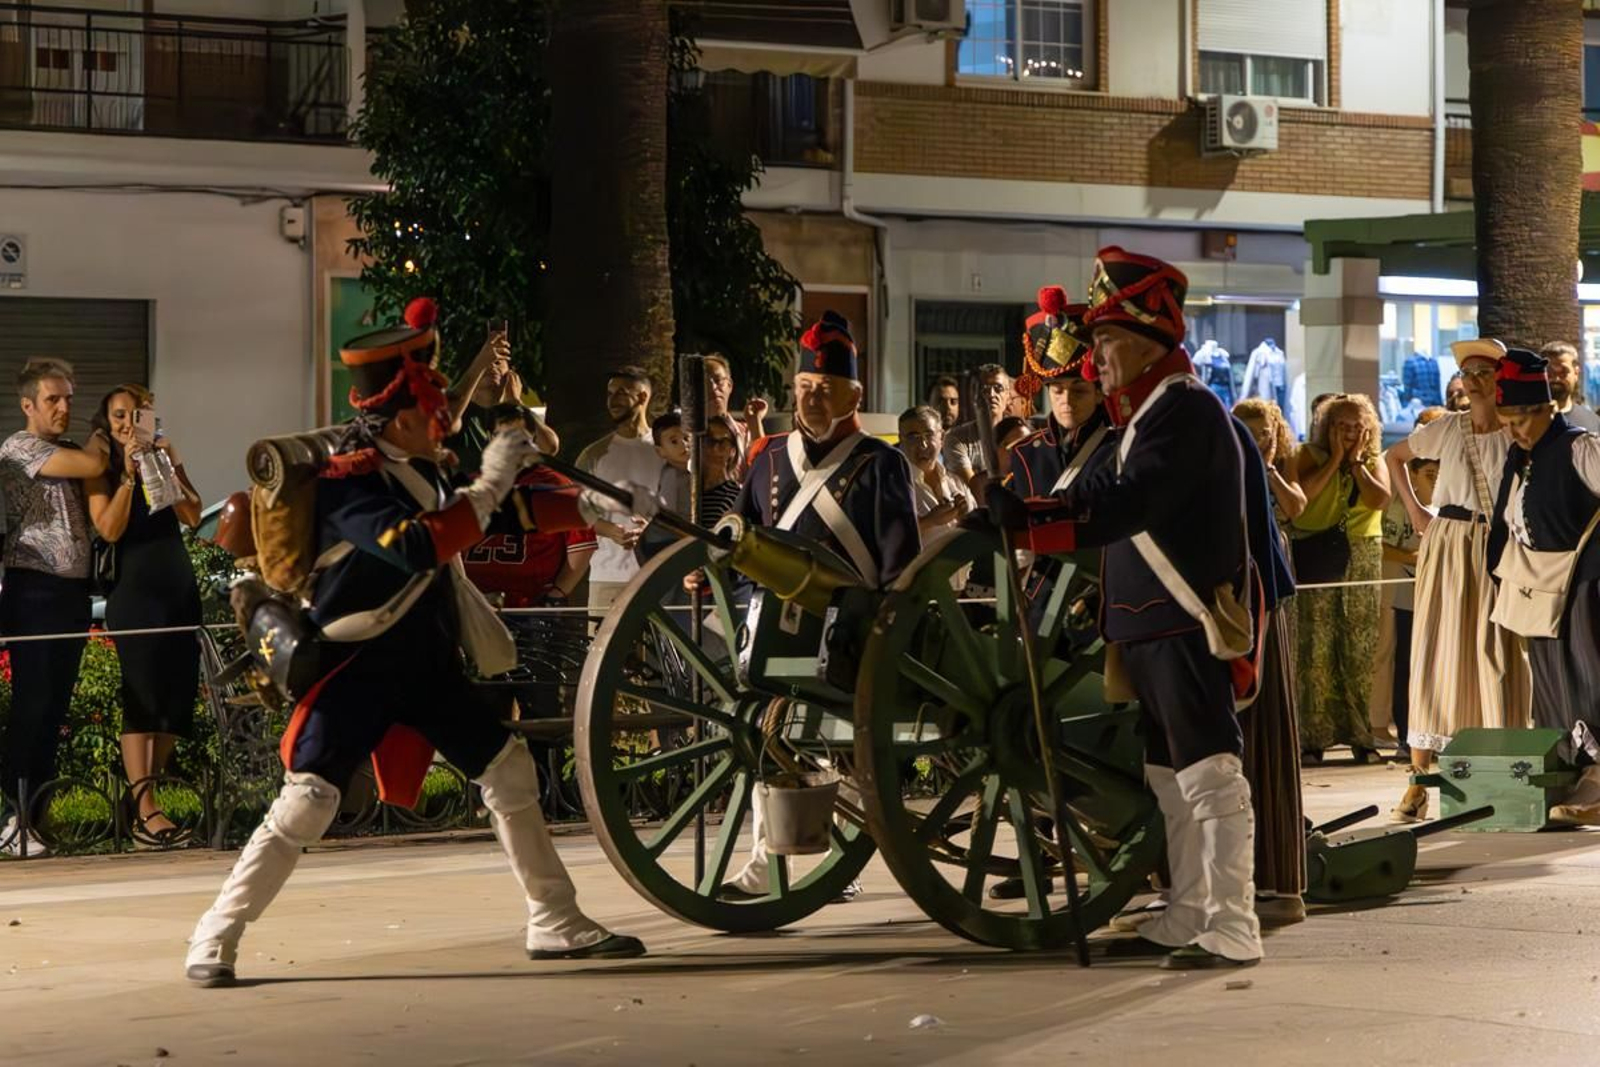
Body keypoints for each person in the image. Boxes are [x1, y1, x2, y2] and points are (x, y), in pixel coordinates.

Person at [185, 298, 644, 986]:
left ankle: (554, 917)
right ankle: (214, 936)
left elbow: (507, 508)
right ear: (398, 415)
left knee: (509, 770)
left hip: (423, 661)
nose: (446, 416)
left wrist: (585, 509)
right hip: (357, 664)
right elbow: (421, 543)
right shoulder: (349, 484)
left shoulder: (426, 467)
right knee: (307, 801)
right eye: (431, 404)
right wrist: (491, 480)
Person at [988, 247, 1262, 969]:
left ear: (1148, 343)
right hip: (1143, 617)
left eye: (1107, 342)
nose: (1095, 357)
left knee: (1209, 774)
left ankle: (1234, 921)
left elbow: (1127, 501)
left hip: (1183, 613)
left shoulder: (1186, 410)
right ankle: (1191, 906)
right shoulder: (1146, 413)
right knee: (1169, 778)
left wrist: (1031, 517)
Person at [717, 310, 920, 903]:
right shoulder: (768, 458)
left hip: (850, 630)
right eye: (805, 388)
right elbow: (747, 538)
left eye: (826, 389)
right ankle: (763, 862)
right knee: (765, 737)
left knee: (845, 748)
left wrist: (883, 631)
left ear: (854, 394)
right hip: (775, 626)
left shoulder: (881, 463)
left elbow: (897, 559)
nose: (812, 398)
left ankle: (845, 857)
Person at [1385, 341, 1530, 822]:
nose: (1473, 380)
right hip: (1449, 543)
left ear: (1500, 378)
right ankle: (1419, 780)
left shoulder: (1516, 432)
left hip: (1497, 544)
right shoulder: (1446, 428)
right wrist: (1416, 512)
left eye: (1483, 372)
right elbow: (1393, 457)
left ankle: (1498, 771)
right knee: (1437, 649)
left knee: (1496, 650)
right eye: (1466, 372)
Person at [84, 385, 203, 844]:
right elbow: (109, 528)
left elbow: (192, 514)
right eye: (119, 415)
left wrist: (168, 464)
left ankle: (143, 803)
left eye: (136, 414)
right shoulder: (102, 467)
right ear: (106, 421)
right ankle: (146, 810)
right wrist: (130, 475)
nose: (127, 423)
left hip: (176, 586)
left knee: (175, 697)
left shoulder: (161, 456)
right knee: (142, 696)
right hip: (134, 593)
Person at [1486, 348, 1600, 825]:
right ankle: (1573, 774)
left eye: (1524, 418)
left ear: (1547, 408)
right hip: (1538, 588)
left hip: (1585, 584)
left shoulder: (1579, 447)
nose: (1517, 428)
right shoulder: (1519, 457)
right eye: (1509, 419)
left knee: (1590, 679)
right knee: (1553, 686)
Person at [0, 359, 108, 857]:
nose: (64, 407)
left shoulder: (66, 448)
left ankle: (36, 819)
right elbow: (93, 467)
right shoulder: (19, 448)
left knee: (54, 709)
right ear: (28, 405)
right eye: (53, 399)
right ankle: (14, 816)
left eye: (68, 398)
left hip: (70, 595)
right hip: (34, 590)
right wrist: (109, 435)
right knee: (32, 705)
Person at [1228, 397, 1305, 926]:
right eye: (1249, 433)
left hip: (1256, 601)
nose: (1257, 440)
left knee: (1263, 724)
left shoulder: (1261, 466)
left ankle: (1274, 875)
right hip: (1252, 593)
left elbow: (1291, 508)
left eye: (1265, 433)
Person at [1290, 393, 1391, 765]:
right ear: (1327, 426)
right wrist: (1335, 460)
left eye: (1356, 426)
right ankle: (1312, 737)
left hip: (1362, 554)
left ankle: (1361, 735)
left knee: (1358, 647)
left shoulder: (1374, 460)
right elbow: (1303, 497)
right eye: (1341, 425)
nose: (1349, 433)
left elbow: (1380, 500)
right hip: (1316, 553)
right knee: (1314, 648)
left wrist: (1357, 465)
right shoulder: (1305, 456)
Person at [575, 367, 661, 614]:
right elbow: (578, 512)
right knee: (606, 651)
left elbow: (685, 508)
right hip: (608, 576)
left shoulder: (668, 450)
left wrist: (652, 531)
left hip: (659, 575)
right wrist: (610, 530)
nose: (613, 400)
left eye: (622, 393)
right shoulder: (593, 454)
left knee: (661, 653)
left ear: (643, 397)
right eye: (610, 393)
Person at [1370, 452, 1437, 764]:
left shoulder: (1446, 499)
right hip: (1406, 594)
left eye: (1438, 472)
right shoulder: (1400, 508)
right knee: (1407, 664)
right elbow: (1386, 545)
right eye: (1428, 473)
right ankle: (1407, 734)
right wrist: (1420, 558)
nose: (1435, 479)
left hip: (1433, 593)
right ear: (1412, 471)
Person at [448, 330, 559, 473]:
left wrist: (516, 402)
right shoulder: (461, 412)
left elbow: (549, 447)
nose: (492, 366)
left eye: (498, 361)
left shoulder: (515, 413)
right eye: (486, 361)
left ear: (510, 373)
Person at [897, 406, 973, 537]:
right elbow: (886, 538)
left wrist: (965, 518)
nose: (923, 444)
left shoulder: (955, 483)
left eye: (929, 435)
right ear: (901, 440)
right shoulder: (893, 485)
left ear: (942, 437)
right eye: (913, 437)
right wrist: (929, 521)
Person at [943, 363, 1013, 496]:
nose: (992, 394)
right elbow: (976, 490)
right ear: (974, 395)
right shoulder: (957, 438)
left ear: (1008, 395)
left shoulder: (1018, 434)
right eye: (985, 389)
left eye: (998, 388)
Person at [703, 354, 767, 459]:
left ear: (729, 386)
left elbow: (763, 468)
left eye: (718, 381)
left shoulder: (747, 432)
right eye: (704, 382)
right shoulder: (685, 436)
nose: (713, 387)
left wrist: (755, 422)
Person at [1539, 341, 1600, 433]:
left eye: (1563, 372)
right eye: (1549, 372)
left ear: (1576, 373)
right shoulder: (1522, 422)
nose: (1556, 379)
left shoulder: (1593, 423)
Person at [1241, 338, 1289, 412]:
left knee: (1282, 412)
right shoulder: (1258, 352)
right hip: (1267, 390)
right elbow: (1250, 374)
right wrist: (1243, 396)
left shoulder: (1279, 353)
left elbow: (1284, 373)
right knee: (1269, 412)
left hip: (1281, 389)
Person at [1193, 339, 1234, 407]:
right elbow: (1203, 376)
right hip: (1213, 388)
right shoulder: (1205, 356)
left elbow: (1230, 376)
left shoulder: (1223, 356)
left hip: (1225, 389)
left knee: (1228, 410)